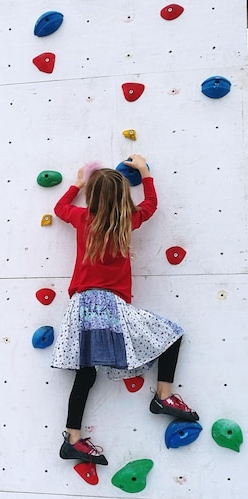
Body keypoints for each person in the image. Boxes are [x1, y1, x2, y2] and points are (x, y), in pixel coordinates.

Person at [51, 155, 199, 466]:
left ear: (92, 196)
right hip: (110, 307)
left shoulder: (82, 218)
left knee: (86, 372)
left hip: (81, 307)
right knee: (171, 336)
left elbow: (60, 209)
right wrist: (146, 173)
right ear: (122, 198)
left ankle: (72, 438)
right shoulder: (126, 221)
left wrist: (77, 182)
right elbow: (150, 205)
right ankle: (163, 396)